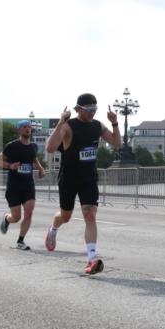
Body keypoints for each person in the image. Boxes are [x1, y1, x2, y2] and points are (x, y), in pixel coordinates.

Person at [44, 94, 120, 275]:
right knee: (65, 216)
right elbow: (49, 148)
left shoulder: (97, 126)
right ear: (78, 109)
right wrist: (61, 122)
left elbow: (116, 144)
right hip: (69, 179)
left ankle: (91, 259)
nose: (93, 113)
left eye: (95, 109)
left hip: (88, 178)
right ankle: (53, 228)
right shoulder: (69, 127)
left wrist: (115, 123)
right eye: (89, 110)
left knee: (90, 215)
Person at [0, 120, 47, 250]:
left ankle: (20, 240)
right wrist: (10, 166)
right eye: (24, 127)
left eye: (29, 127)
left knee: (29, 212)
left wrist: (41, 169)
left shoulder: (33, 146)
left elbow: (34, 159)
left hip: (28, 185)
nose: (27, 129)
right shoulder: (12, 146)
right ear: (19, 130)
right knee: (16, 217)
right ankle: (7, 219)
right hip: (14, 186)